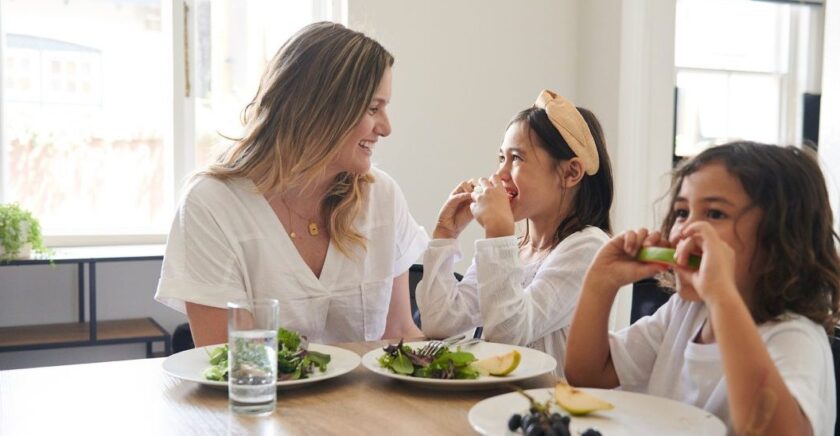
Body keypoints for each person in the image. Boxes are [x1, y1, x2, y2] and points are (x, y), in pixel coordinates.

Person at [154, 22, 428, 346]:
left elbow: (398, 333)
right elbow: (230, 363)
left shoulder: (381, 195)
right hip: (262, 399)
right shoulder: (212, 204)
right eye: (373, 108)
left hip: (367, 399)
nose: (386, 127)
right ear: (321, 108)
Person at [565, 142, 839, 435]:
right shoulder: (686, 312)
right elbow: (588, 374)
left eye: (715, 214)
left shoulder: (793, 337)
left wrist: (721, 297)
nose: (685, 229)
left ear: (781, 240)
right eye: (682, 212)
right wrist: (599, 283)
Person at [416, 90, 614, 373]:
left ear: (571, 173)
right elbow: (439, 323)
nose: (500, 175)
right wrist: (446, 234)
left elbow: (509, 335)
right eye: (501, 158)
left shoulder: (589, 248)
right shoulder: (515, 249)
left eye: (517, 159)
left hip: (549, 407)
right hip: (499, 402)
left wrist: (498, 233)